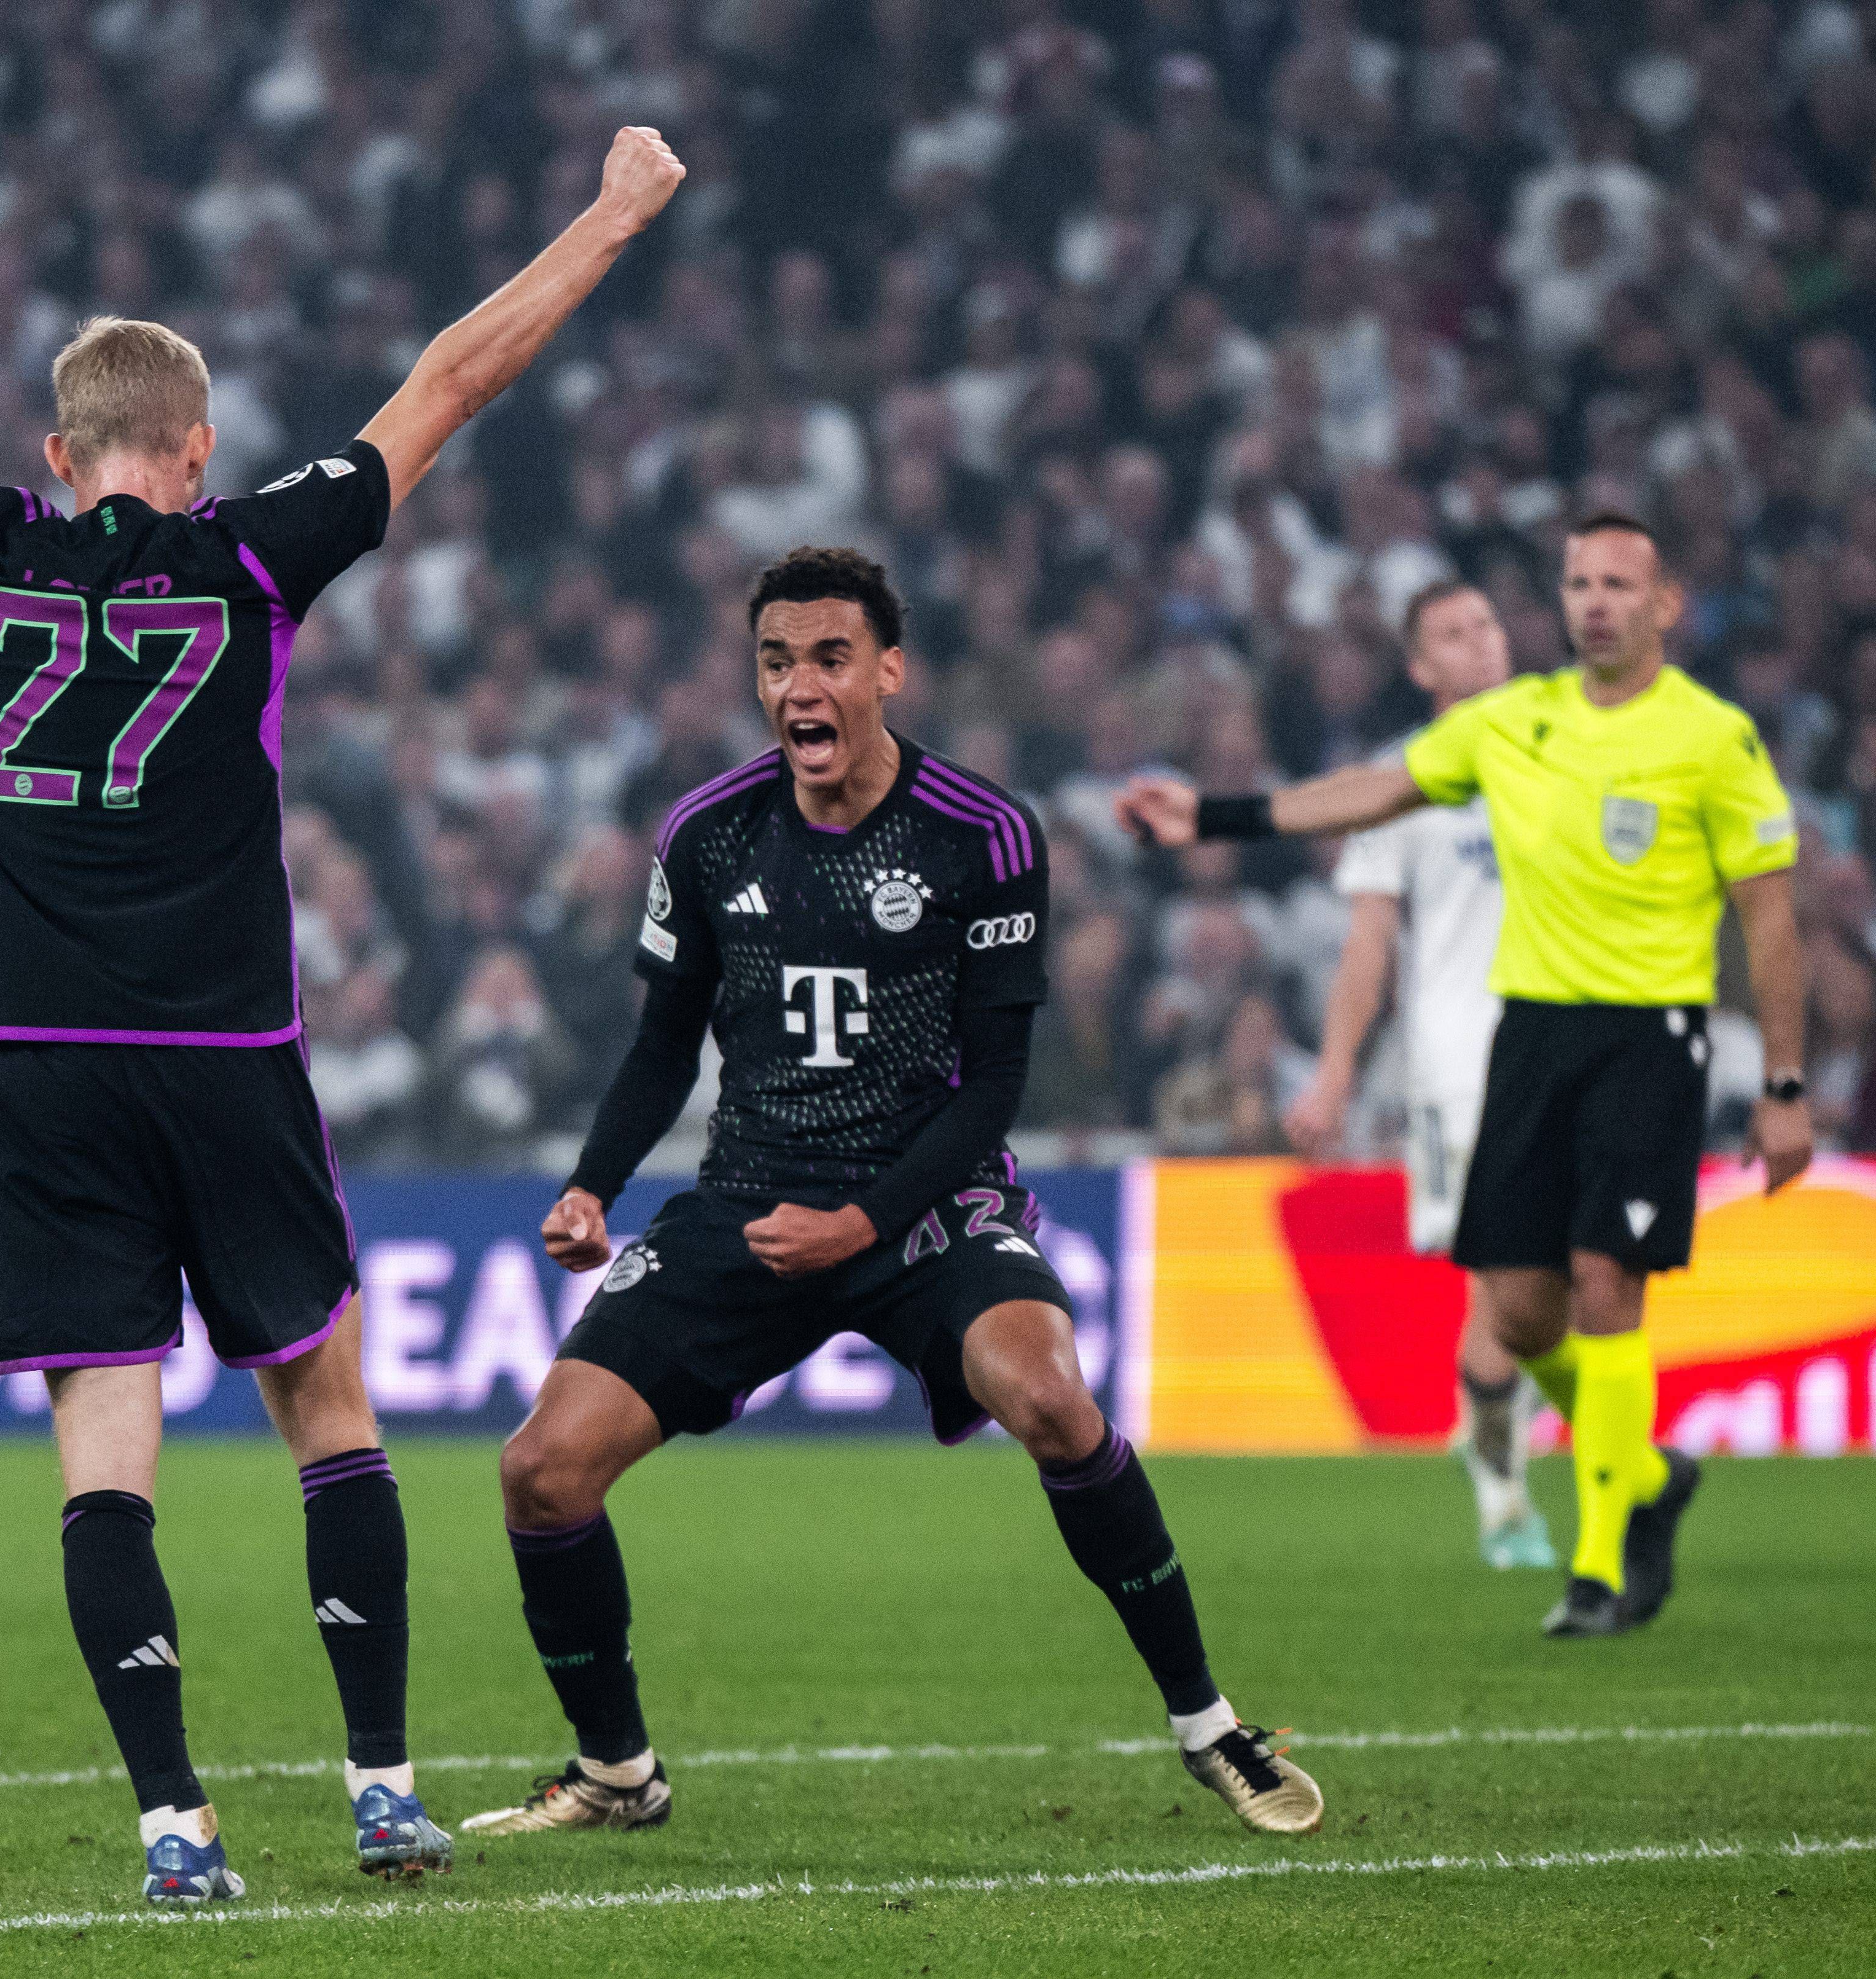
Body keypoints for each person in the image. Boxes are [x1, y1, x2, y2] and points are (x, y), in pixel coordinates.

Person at [0, 126, 686, 1903]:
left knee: (105, 1453)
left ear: (58, 455)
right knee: (327, 1405)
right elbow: (452, 375)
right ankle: (384, 1785)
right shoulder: (249, 560)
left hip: (43, 1063)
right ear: (201, 451)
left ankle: (176, 1823)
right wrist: (613, 214)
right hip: (229, 1052)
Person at [472, 546, 1325, 1843]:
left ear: (888, 669)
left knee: (1049, 1396)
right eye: (774, 660)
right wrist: (593, 1183)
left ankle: (1210, 1724)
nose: (797, 686)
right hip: (751, 1198)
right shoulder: (707, 833)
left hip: (929, 1207)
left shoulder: (980, 832)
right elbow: (664, 1044)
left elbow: (993, 1085)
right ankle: (614, 1771)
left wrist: (863, 1223)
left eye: (826, 658)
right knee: (541, 1467)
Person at [1119, 513, 1811, 1638]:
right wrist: (1211, 814)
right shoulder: (1511, 721)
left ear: (1663, 604)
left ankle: (1596, 1571)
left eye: (1617, 584)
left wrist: (1785, 1085)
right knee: (1524, 1315)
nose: (1592, 601)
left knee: (1605, 1285)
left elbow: (1770, 920)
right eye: (1577, 581)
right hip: (1526, 1042)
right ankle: (1640, 1474)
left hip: (1649, 1037)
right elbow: (1373, 792)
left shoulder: (1712, 738)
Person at [1281, 581, 1554, 1570]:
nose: (1481, 642)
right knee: (1509, 1278)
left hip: (1572, 1052)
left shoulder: (1563, 752)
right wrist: (1335, 1073)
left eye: (1489, 622)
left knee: (1554, 1280)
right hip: (1461, 1067)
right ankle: (1502, 1483)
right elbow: (1371, 942)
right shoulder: (1398, 782)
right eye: (1453, 634)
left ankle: (1488, 1429)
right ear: (1421, 667)